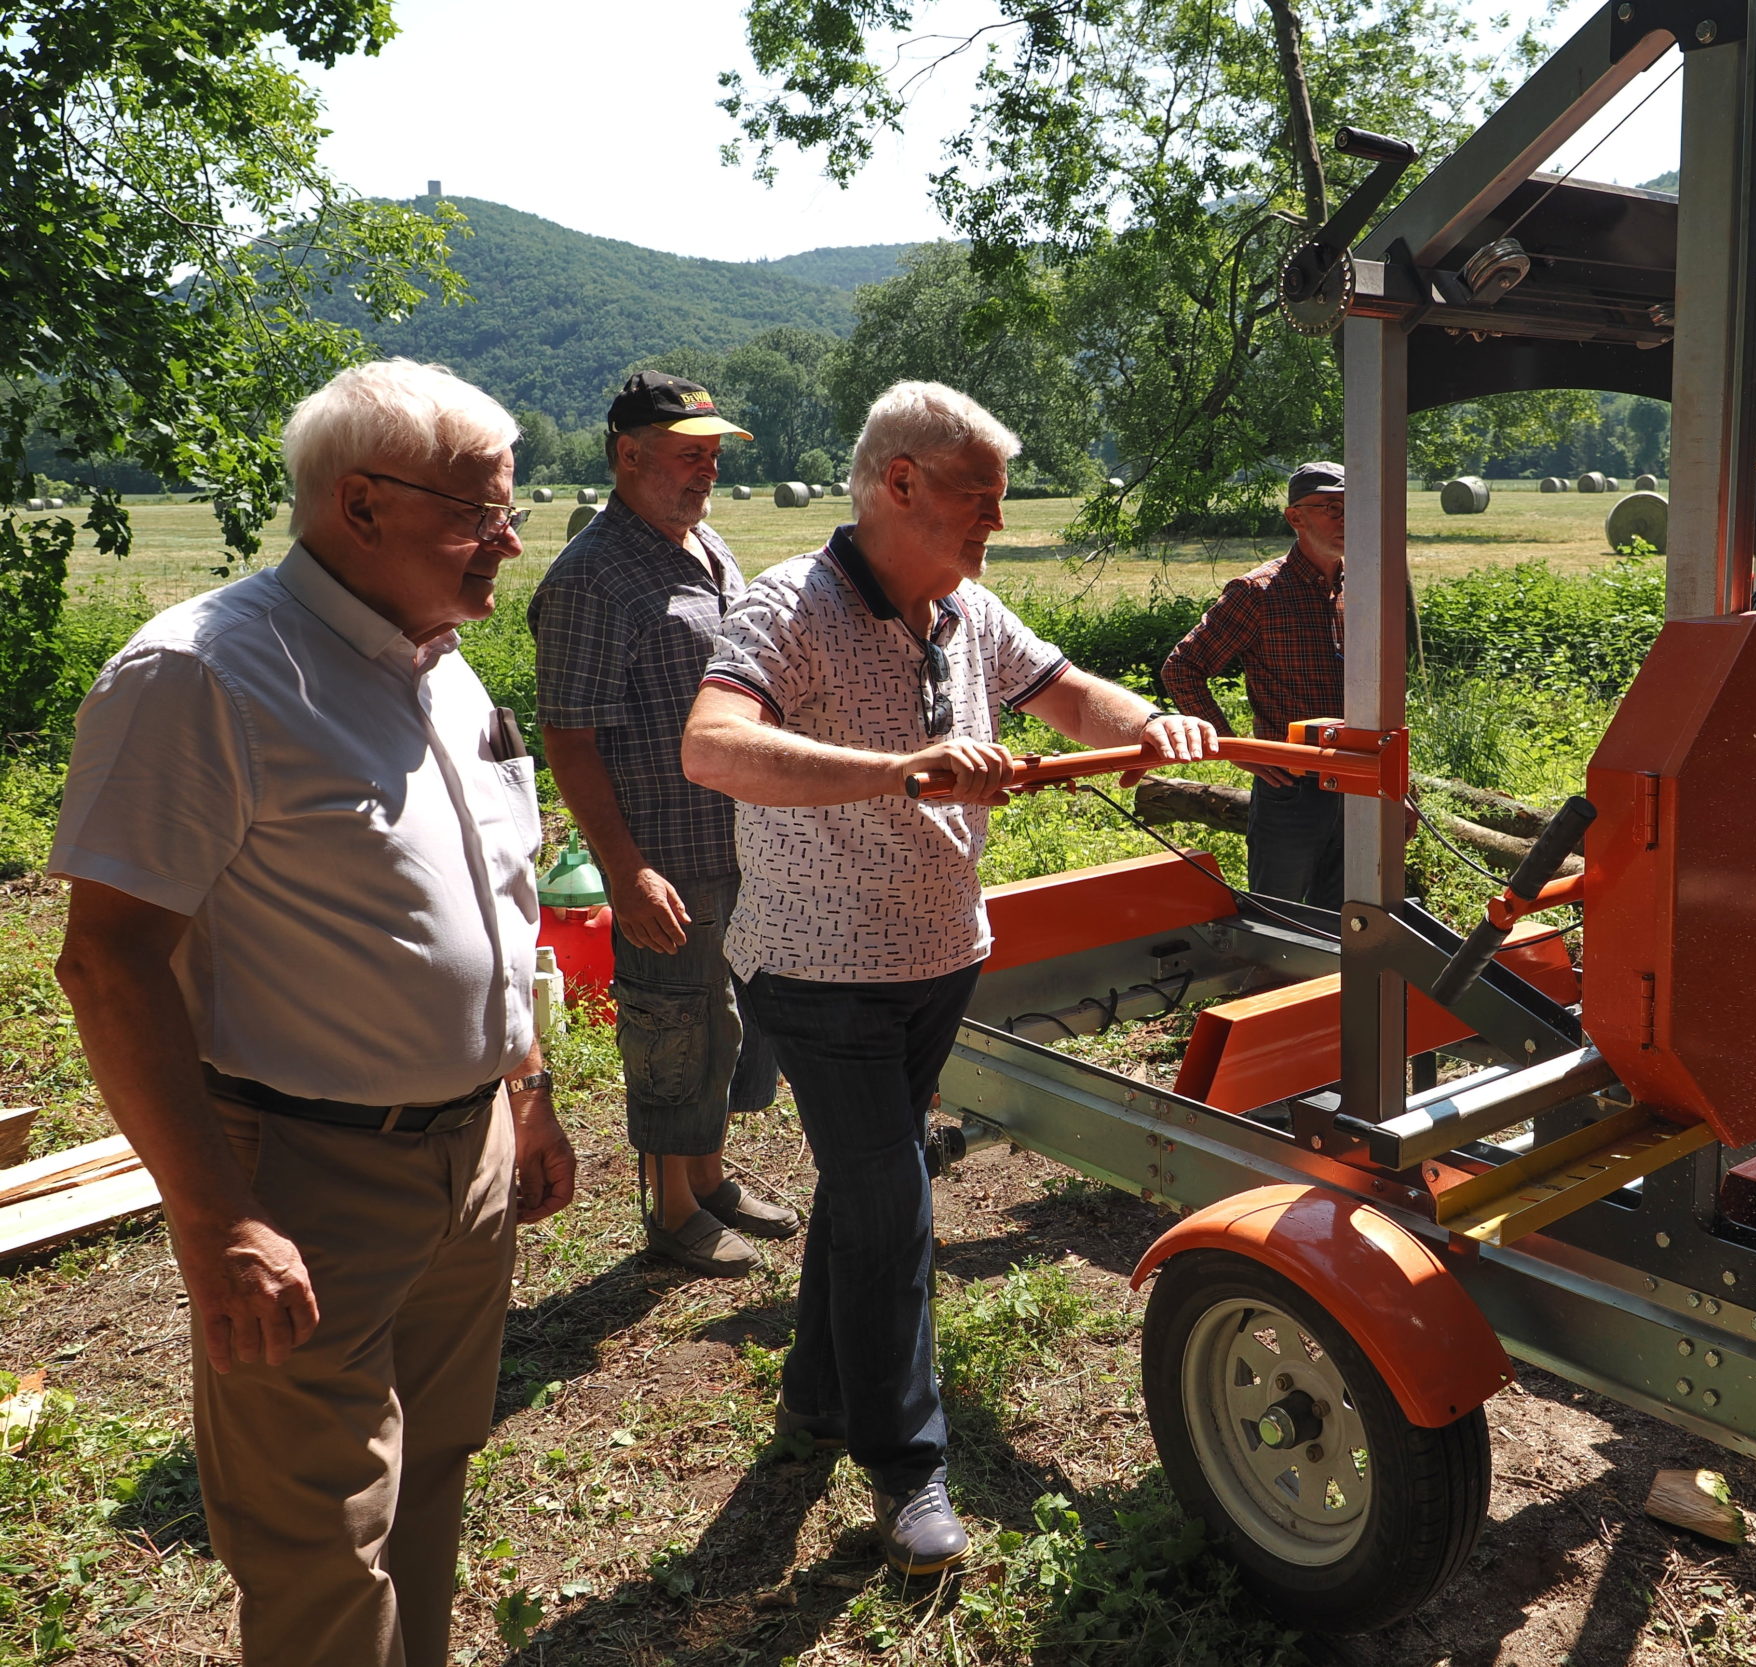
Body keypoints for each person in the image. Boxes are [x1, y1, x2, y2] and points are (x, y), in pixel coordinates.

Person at [49, 358, 578, 1667]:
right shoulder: (202, 675)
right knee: (320, 1542)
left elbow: (501, 902)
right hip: (301, 1177)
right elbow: (109, 961)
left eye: (509, 509)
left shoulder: (446, 670)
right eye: (480, 513)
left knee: (436, 1468)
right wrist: (217, 1215)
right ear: (361, 504)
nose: (510, 540)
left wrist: (526, 1090)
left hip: (470, 1153)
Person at [681, 381, 1218, 1574]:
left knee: (863, 1185)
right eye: (979, 496)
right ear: (900, 483)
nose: (997, 520)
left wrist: (1148, 722)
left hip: (939, 955)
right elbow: (711, 746)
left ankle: (818, 1391)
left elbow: (1066, 691)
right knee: (893, 1197)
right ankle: (906, 1466)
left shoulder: (966, 608)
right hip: (816, 967)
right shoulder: (790, 604)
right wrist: (900, 767)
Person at [531, 372, 798, 1276]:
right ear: (628, 455)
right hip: (665, 853)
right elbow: (569, 739)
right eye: (689, 455)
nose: (708, 470)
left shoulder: (705, 544)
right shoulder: (591, 578)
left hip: (737, 838)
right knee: (671, 1029)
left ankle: (710, 1180)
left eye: (714, 455)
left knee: (724, 1025)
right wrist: (627, 870)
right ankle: (673, 1210)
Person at [1160, 460, 1351, 908]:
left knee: (1347, 918)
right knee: (1278, 917)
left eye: (1353, 507)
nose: (1346, 519)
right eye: (1331, 508)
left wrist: (1399, 792)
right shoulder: (1258, 592)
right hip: (1292, 786)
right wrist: (1232, 747)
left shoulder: (1365, 584)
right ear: (1295, 517)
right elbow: (1182, 668)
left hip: (1361, 780)